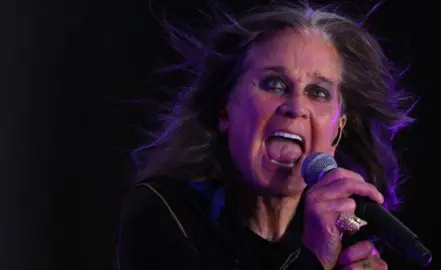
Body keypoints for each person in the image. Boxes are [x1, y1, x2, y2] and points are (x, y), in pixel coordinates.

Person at [115, 2, 416, 270]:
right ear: (224, 111)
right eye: (274, 85)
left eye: (318, 92)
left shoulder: (350, 240)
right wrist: (314, 260)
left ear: (337, 132)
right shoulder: (165, 212)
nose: (296, 107)